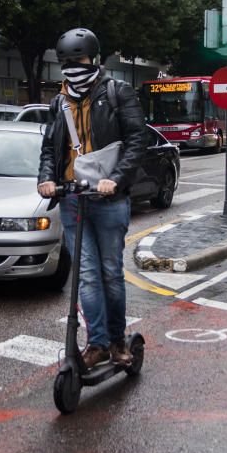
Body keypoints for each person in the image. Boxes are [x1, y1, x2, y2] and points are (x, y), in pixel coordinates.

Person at [38, 28, 146, 368]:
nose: (73, 67)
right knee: (85, 275)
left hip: (109, 200)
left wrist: (115, 180)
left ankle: (116, 340)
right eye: (66, 62)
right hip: (72, 200)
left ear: (94, 60)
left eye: (79, 60)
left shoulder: (118, 92)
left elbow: (136, 140)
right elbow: (48, 148)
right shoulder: (59, 101)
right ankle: (96, 343)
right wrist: (46, 179)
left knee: (111, 272)